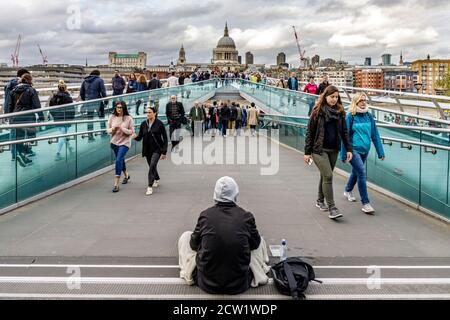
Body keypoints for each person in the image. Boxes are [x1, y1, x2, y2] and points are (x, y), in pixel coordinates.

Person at [178, 176, 270, 294]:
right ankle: (259, 267)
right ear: (235, 193)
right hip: (240, 284)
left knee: (186, 236)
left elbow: (193, 245)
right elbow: (255, 245)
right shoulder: (246, 217)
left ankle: (188, 270)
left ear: (215, 194)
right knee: (259, 240)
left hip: (206, 283)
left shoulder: (205, 215)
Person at [304, 85, 352, 220]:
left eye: (336, 97)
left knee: (325, 176)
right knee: (328, 175)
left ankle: (320, 200)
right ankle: (332, 208)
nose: (334, 99)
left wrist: (349, 149)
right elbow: (310, 132)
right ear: (325, 97)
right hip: (319, 150)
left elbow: (344, 132)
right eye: (332, 97)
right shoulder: (317, 111)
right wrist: (307, 152)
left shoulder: (340, 112)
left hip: (334, 149)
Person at [341, 93, 385, 214]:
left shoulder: (369, 116)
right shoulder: (351, 116)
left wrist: (380, 152)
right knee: (361, 172)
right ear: (355, 102)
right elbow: (344, 137)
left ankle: (347, 190)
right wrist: (343, 154)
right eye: (361, 101)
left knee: (356, 172)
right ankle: (365, 203)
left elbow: (374, 135)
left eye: (364, 100)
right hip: (353, 150)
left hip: (365, 150)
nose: (363, 102)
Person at [7, 74, 42, 167]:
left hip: (16, 118)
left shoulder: (13, 91)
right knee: (30, 136)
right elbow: (37, 105)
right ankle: (25, 153)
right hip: (28, 118)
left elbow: (10, 106)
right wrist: (41, 117)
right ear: (30, 80)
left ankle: (21, 155)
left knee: (19, 138)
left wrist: (10, 119)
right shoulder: (31, 90)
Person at [134, 106, 168, 196]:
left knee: (152, 165)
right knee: (151, 166)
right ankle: (156, 178)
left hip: (157, 149)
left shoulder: (159, 124)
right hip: (147, 149)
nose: (148, 114)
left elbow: (165, 138)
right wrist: (133, 136)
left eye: (150, 112)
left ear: (155, 113)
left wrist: (164, 152)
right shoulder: (143, 124)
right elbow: (140, 137)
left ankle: (149, 186)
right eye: (147, 112)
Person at [107, 101, 134, 193]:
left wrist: (123, 129)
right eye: (117, 107)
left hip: (125, 143)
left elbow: (132, 132)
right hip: (114, 143)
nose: (119, 109)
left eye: (121, 107)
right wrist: (113, 129)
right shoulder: (112, 117)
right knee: (121, 160)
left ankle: (116, 184)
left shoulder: (128, 118)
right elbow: (108, 130)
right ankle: (126, 175)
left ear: (124, 108)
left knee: (118, 160)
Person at [49, 80, 75, 161]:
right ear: (65, 88)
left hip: (57, 119)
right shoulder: (68, 98)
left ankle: (69, 147)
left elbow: (51, 109)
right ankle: (58, 153)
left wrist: (55, 116)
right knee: (63, 135)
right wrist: (71, 119)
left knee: (63, 134)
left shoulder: (53, 97)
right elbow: (72, 110)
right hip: (65, 119)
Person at [80, 69, 107, 141]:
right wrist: (106, 101)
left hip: (88, 102)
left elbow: (81, 93)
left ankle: (90, 135)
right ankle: (103, 133)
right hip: (98, 101)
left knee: (90, 119)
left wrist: (85, 100)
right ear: (98, 74)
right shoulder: (100, 80)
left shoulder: (85, 81)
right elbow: (103, 92)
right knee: (101, 117)